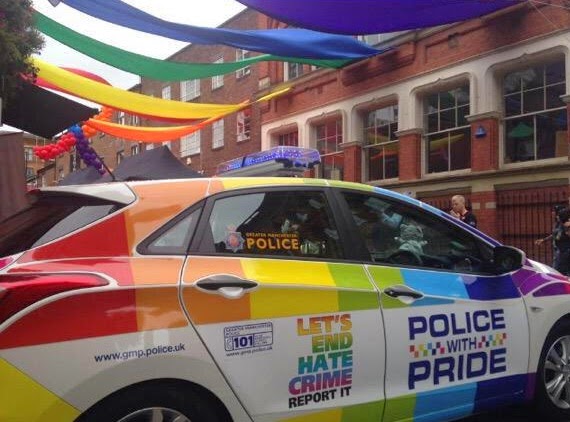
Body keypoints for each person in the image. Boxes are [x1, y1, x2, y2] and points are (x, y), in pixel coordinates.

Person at [536, 205, 570, 273]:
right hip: (559, 250)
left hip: (565, 251)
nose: (553, 213)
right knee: (559, 270)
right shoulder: (559, 223)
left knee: (557, 271)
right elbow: (555, 234)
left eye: (554, 211)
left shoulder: (566, 224)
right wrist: (544, 240)